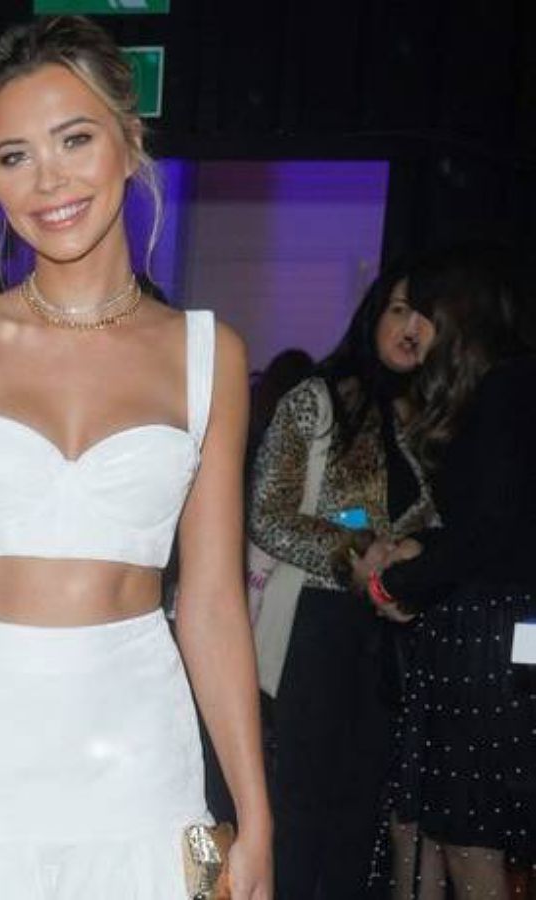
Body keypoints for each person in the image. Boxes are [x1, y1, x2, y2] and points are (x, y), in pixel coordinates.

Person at [0, 16, 272, 896]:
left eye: (74, 140)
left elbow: (211, 604)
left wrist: (255, 815)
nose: (46, 179)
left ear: (129, 143)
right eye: (14, 156)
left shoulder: (209, 356)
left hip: (137, 751)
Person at [352, 243, 536, 898]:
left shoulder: (505, 391)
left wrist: (397, 579)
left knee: (468, 830)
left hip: (491, 634)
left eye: (419, 311)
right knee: (442, 823)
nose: (410, 328)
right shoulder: (501, 388)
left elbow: (490, 533)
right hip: (488, 627)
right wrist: (419, 554)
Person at [248, 266, 438, 897]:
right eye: (400, 310)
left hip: (388, 635)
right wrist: (353, 552)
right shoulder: (319, 399)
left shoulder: (428, 418)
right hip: (318, 622)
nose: (412, 327)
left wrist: (415, 561)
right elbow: (267, 513)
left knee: (361, 816)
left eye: (426, 315)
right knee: (303, 809)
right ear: (372, 315)